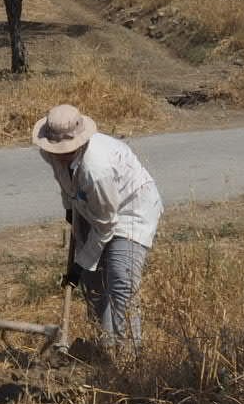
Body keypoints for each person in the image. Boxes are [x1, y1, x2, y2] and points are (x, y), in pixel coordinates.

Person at [32, 104, 162, 356]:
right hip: (90, 204)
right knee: (93, 285)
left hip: (130, 209)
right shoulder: (49, 152)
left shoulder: (96, 169)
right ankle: (105, 348)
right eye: (55, 149)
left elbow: (106, 224)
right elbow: (65, 182)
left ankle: (128, 357)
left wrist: (78, 266)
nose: (59, 154)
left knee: (120, 282)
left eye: (65, 150)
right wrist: (69, 209)